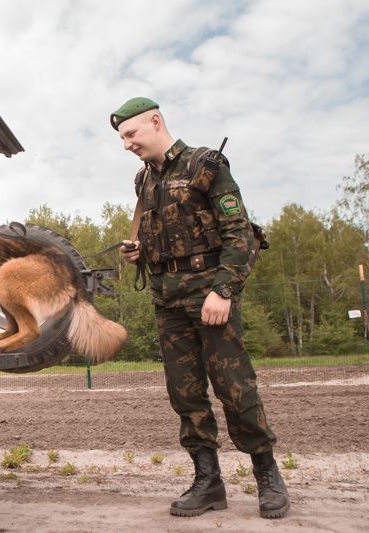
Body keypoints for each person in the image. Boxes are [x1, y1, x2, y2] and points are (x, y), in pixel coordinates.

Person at [110, 97, 289, 519]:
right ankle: (208, 481)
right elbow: (171, 234)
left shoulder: (205, 164)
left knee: (234, 388)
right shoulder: (143, 181)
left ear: (155, 121)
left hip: (209, 296)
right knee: (185, 394)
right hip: (167, 300)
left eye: (131, 134)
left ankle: (267, 474)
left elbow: (240, 236)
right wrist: (142, 249)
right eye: (121, 138)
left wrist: (223, 291)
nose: (126, 144)